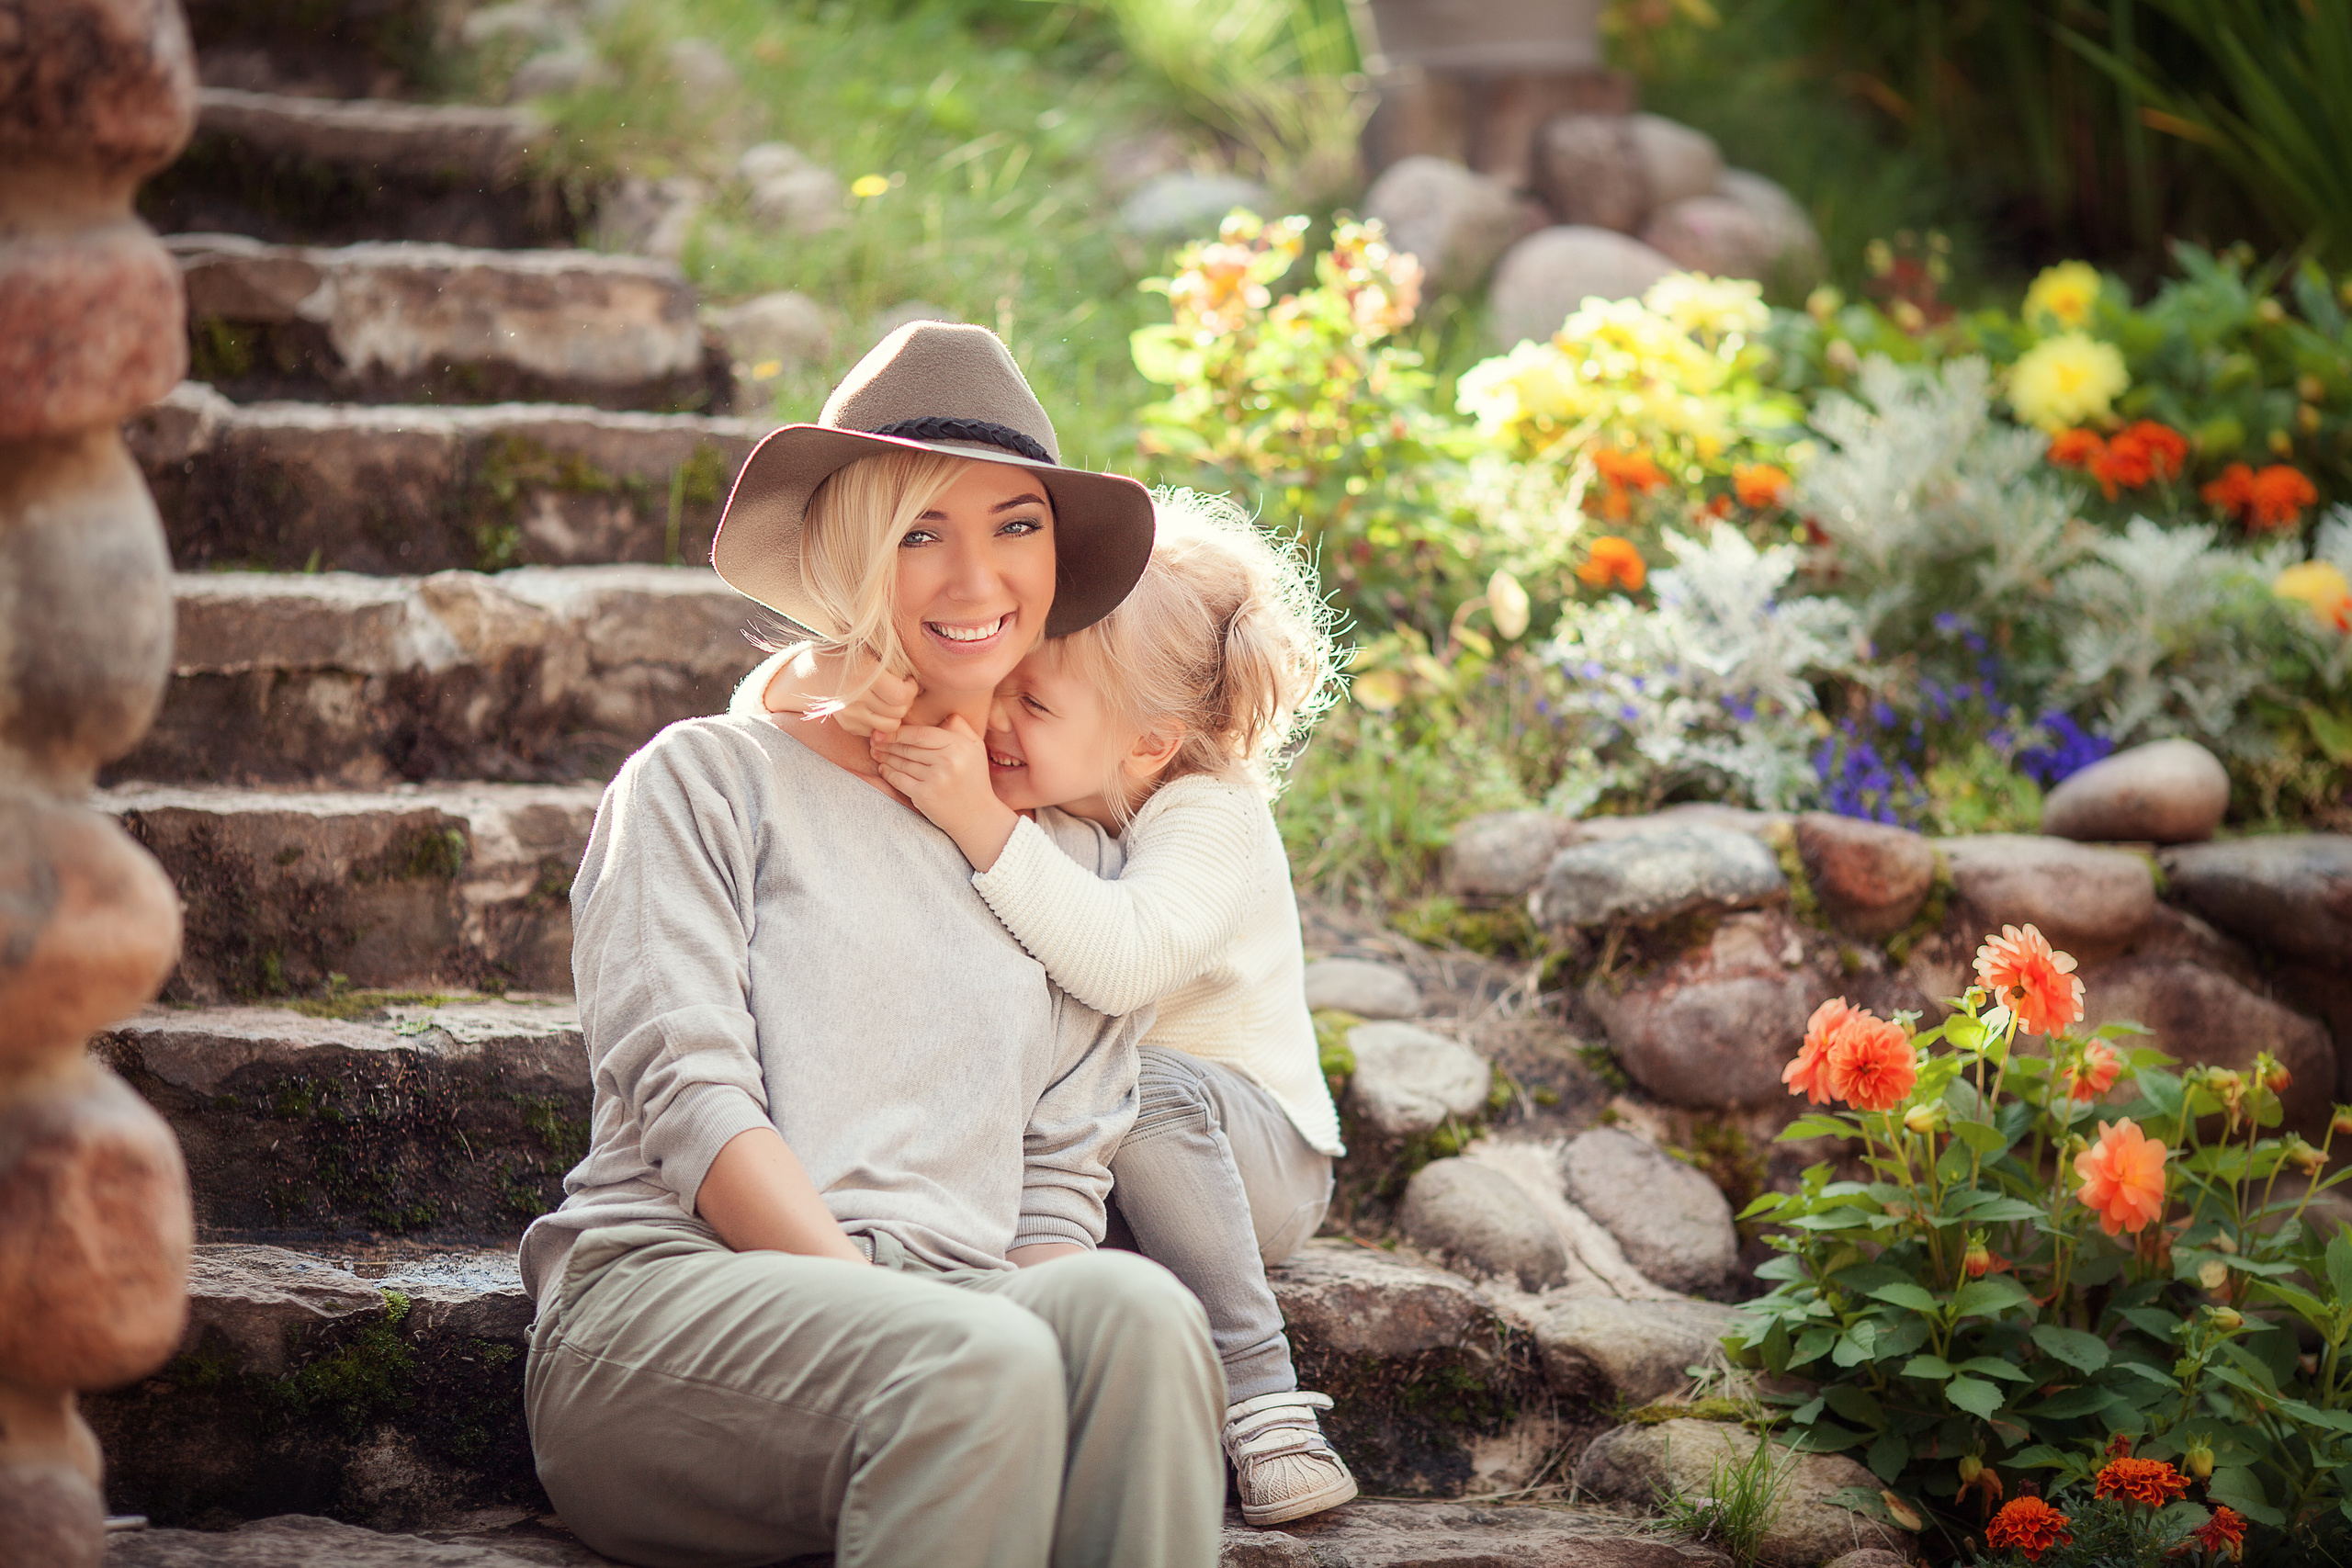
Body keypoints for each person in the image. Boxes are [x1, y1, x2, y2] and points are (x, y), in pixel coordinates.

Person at [519, 321, 1227, 1568]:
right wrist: (901, 1313)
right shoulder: (706, 778)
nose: (977, 580)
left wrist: (1011, 1358)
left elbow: (1056, 1184)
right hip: (676, 1309)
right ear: (851, 552)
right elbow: (690, 1098)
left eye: (1016, 524)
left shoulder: (1072, 870)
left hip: (958, 1331)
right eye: (920, 531)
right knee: (985, 1355)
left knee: (1139, 1312)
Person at [740, 490, 1356, 1527]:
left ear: (1151, 745)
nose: (999, 719)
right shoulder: (1060, 789)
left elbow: (1119, 964)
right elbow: (775, 713)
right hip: (1091, 1146)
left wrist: (976, 817)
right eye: (1005, 690)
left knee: (1146, 1081)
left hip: (1244, 1151)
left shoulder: (1212, 814)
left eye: (1035, 705)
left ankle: (1261, 1395)